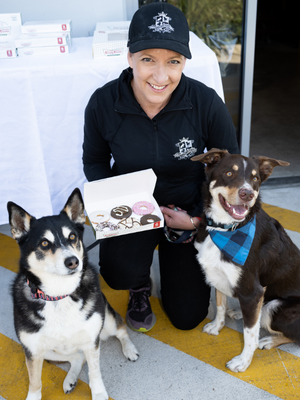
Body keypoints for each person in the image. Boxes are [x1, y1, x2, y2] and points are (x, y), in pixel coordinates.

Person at [82, 2, 239, 333]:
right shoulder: (103, 103)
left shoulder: (207, 103)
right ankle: (140, 284)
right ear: (130, 58)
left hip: (188, 210)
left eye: (173, 62)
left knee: (187, 317)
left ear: (184, 62)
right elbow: (94, 161)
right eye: (147, 59)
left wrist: (197, 219)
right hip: (134, 209)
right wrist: (121, 208)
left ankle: (176, 264)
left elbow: (231, 174)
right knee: (117, 272)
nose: (160, 75)